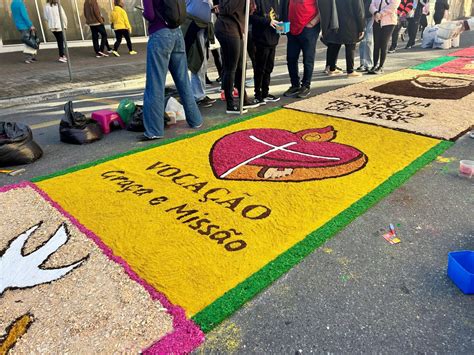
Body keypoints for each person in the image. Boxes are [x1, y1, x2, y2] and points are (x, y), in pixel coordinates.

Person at [141, 0, 203, 140]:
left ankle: (154, 130)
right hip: (177, 33)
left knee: (155, 84)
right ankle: (196, 120)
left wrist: (144, 13)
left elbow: (150, 15)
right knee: (183, 81)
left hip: (159, 35)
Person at [215, 0, 261, 114]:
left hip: (237, 29)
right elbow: (226, 9)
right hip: (227, 29)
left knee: (241, 66)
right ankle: (230, 104)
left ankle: (243, 100)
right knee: (231, 68)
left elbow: (248, 12)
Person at [281, 0, 320, 99]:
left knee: (308, 59)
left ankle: (306, 85)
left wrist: (313, 22)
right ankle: (295, 85)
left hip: (308, 28)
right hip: (292, 27)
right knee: (291, 58)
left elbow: (324, 7)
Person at [183, 0, 216, 108]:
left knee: (202, 63)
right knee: (198, 62)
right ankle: (198, 96)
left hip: (201, 27)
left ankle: (200, 94)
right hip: (194, 27)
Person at [321, 0, 365, 77]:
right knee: (350, 46)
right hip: (350, 23)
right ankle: (350, 71)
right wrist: (361, 27)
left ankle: (332, 68)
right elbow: (358, 10)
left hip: (335, 23)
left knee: (335, 45)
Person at [250, 0, 281, 104]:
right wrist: (267, 21)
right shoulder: (256, 2)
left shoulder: (275, 2)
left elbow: (277, 17)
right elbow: (251, 17)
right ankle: (257, 94)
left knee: (269, 68)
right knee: (260, 68)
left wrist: (281, 26)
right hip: (260, 40)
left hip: (273, 39)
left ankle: (265, 93)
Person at [369, 0, 399, 74]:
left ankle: (381, 66)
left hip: (389, 22)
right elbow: (371, 5)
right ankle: (374, 65)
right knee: (376, 44)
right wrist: (376, 13)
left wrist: (381, 14)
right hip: (376, 21)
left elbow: (393, 5)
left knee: (383, 44)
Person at [357, 0, 374, 72]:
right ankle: (362, 63)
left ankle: (369, 64)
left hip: (372, 16)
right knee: (362, 40)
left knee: (369, 41)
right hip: (362, 16)